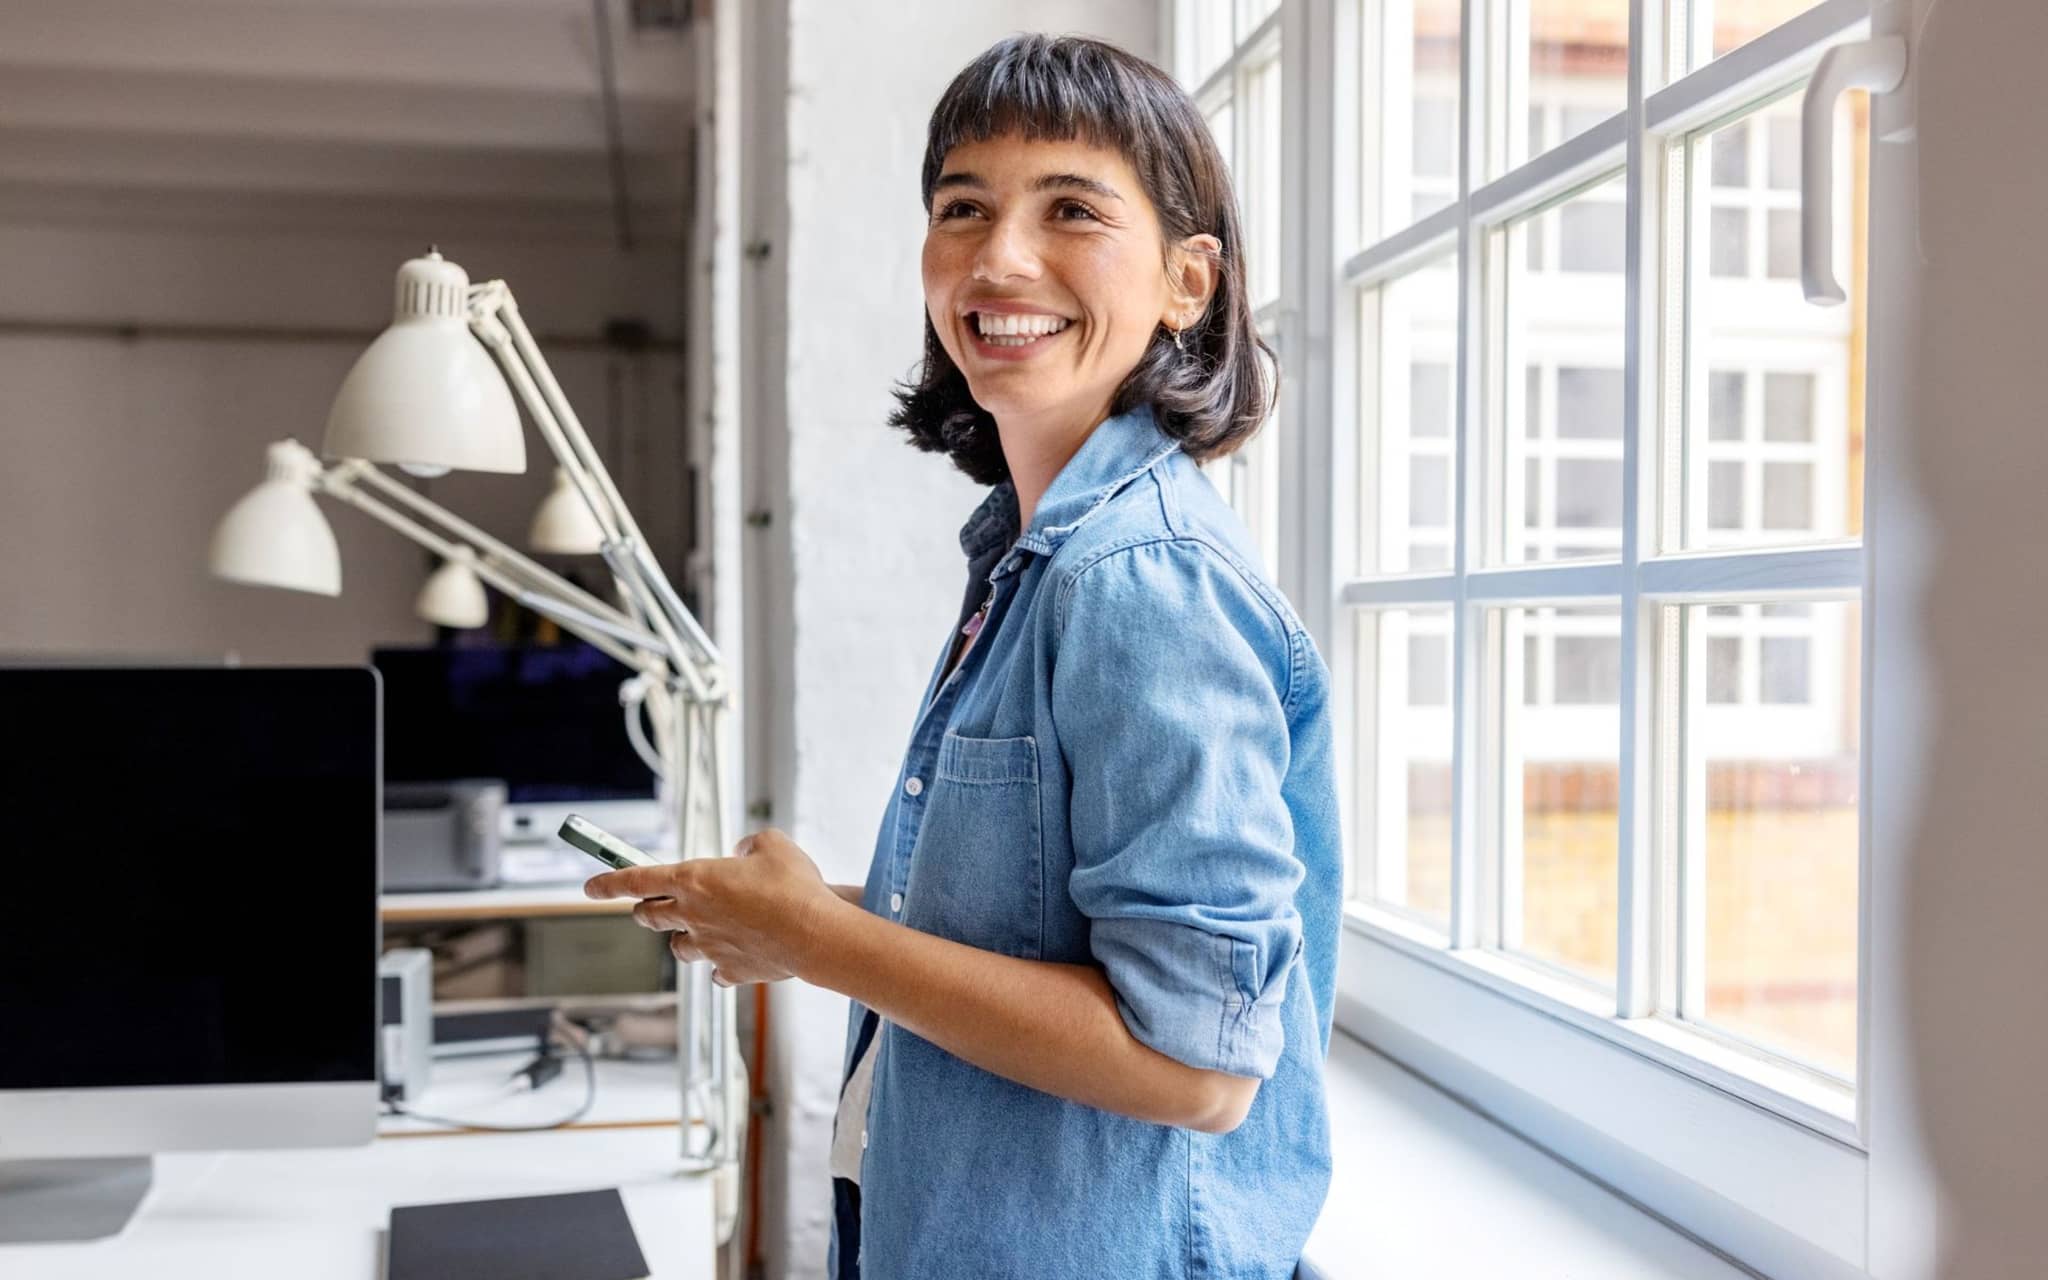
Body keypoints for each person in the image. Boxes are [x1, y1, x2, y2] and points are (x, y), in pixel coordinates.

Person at [585, 32, 1341, 1279]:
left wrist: (820, 941)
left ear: (1186, 280)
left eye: (1070, 209)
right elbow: (1043, 941)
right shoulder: (1036, 557)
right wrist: (790, 919)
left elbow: (1196, 1066)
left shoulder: (1139, 579)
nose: (998, 258)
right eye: (962, 208)